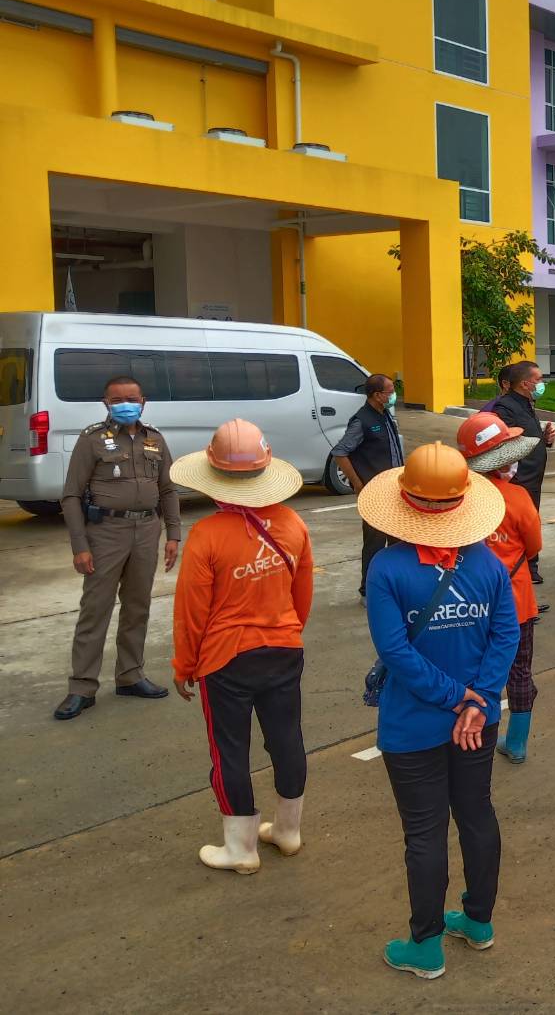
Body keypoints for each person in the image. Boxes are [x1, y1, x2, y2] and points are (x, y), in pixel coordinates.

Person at [359, 442, 520, 979]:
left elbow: (395, 652)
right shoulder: (488, 562)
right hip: (478, 721)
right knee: (477, 815)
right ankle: (478, 921)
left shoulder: (387, 567)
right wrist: (478, 699)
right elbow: (506, 634)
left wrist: (456, 698)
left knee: (425, 832)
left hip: (413, 723)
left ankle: (425, 944)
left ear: (404, 502)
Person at [170, 419, 313, 873]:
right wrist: (284, 632)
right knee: (287, 739)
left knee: (229, 750)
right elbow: (302, 595)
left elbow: (191, 611)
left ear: (214, 476)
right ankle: (288, 831)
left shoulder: (207, 535)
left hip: (225, 659)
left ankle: (241, 848)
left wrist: (184, 664)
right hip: (284, 648)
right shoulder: (293, 524)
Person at [55, 375, 182, 720]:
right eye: (117, 400)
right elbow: (70, 495)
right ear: (106, 403)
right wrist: (79, 545)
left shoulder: (155, 439)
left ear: (143, 402)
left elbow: (168, 490)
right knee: (95, 609)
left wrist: (173, 534)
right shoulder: (92, 439)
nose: (126, 404)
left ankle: (130, 675)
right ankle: (82, 687)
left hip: (147, 530)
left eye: (132, 399)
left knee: (138, 606)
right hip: (106, 532)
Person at [458, 412, 543, 763]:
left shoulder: (461, 496)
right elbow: (534, 547)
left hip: (469, 604)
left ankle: (473, 732)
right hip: (517, 600)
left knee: (473, 671)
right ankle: (517, 741)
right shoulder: (519, 497)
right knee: (519, 672)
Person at [331, 372, 405, 603]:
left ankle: (394, 587)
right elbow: (340, 453)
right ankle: (368, 591)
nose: (393, 395)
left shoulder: (385, 415)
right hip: (375, 493)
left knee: (397, 541)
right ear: (377, 395)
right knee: (375, 543)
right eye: (390, 392)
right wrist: (357, 483)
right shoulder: (362, 421)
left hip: (395, 489)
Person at [490, 361, 555, 584]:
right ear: (525, 383)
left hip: (533, 479)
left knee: (530, 524)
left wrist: (545, 440)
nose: (542, 384)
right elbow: (508, 444)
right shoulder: (505, 408)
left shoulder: (527, 404)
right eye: (538, 380)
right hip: (518, 480)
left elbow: (527, 439)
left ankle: (530, 567)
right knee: (519, 528)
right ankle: (522, 571)